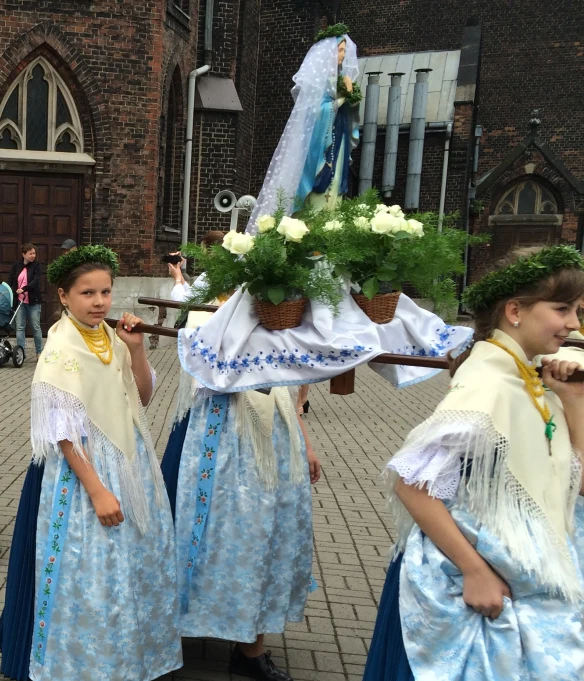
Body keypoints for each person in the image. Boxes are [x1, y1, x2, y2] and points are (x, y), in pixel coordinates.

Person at [363, 245, 584, 681]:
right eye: (562, 309)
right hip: (470, 583)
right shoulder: (487, 383)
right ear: (515, 311)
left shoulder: (529, 377)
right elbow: (412, 482)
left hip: (527, 572)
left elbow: (576, 484)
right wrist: (475, 570)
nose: (574, 324)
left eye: (577, 310)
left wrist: (574, 399)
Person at [0, 245, 182, 681]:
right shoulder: (61, 347)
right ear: (63, 296)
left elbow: (141, 399)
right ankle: (80, 661)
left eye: (105, 292)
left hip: (126, 459)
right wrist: (96, 489)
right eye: (87, 293)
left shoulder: (110, 337)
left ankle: (125, 654)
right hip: (78, 472)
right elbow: (62, 434)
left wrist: (135, 350)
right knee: (86, 571)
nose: (99, 302)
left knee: (125, 565)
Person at [161, 309, 322, 680]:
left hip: (274, 443)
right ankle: (174, 629)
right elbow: (205, 376)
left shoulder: (282, 317)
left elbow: (283, 383)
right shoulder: (210, 314)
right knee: (217, 537)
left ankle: (251, 647)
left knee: (264, 537)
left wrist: (306, 445)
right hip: (219, 436)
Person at [248, 27, 360, 226]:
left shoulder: (343, 80)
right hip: (321, 143)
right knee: (320, 184)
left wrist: (352, 100)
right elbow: (315, 113)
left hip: (339, 139)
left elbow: (351, 113)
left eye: (344, 50)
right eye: (339, 50)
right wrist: (342, 98)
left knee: (335, 188)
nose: (343, 55)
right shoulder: (319, 82)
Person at [8, 243, 44, 357]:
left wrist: (24, 289)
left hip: (33, 301)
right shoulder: (17, 265)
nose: (33, 256)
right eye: (30, 253)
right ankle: (21, 352)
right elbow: (11, 279)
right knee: (20, 326)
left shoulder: (37, 266)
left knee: (35, 326)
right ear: (24, 254)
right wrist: (10, 290)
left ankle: (39, 352)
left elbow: (35, 281)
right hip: (20, 302)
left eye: (34, 253)